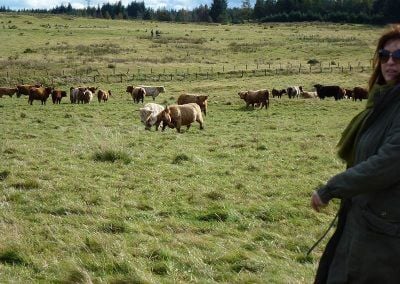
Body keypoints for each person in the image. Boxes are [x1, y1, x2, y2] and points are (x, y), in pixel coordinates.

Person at [310, 24, 400, 283]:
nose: (390, 62)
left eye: (399, 56)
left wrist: (332, 188)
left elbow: (387, 163)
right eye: (384, 55)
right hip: (366, 219)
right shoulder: (381, 103)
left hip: (386, 233)